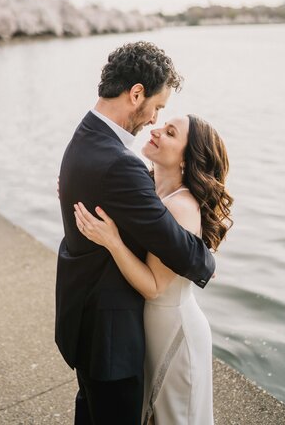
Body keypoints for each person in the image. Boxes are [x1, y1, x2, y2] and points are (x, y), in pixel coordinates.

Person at [55, 41, 216, 425]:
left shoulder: (84, 138)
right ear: (136, 94)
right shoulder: (118, 163)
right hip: (111, 339)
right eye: (157, 107)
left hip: (88, 324)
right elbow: (184, 252)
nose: (154, 120)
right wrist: (208, 259)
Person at [75, 114, 233, 424]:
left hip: (173, 329)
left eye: (170, 133)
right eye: (162, 125)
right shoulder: (151, 193)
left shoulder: (180, 207)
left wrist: (113, 241)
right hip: (149, 326)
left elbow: (154, 287)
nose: (155, 130)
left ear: (187, 160)